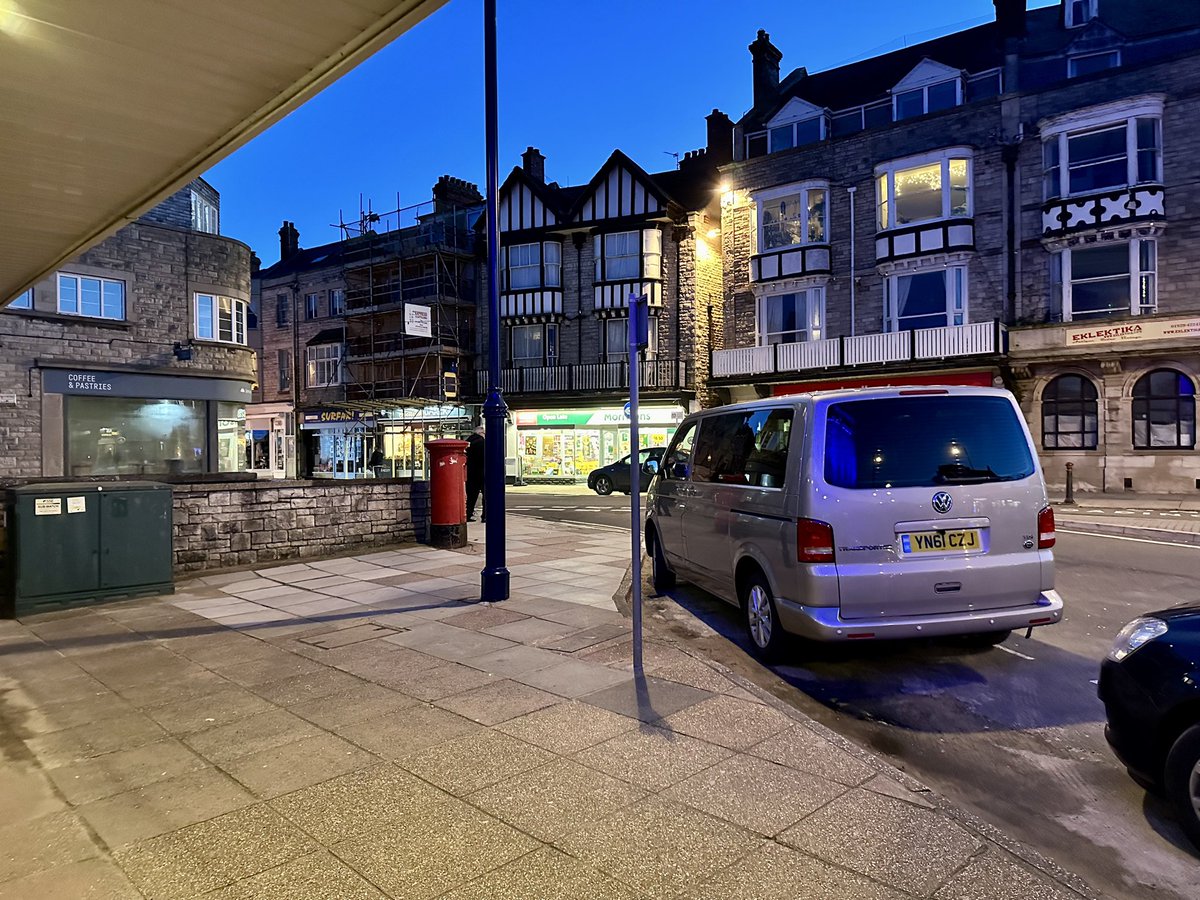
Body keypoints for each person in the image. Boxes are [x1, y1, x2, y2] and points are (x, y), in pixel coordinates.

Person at [466, 425, 486, 522]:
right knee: (486, 495)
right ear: (481, 433)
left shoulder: (468, 442)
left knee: (471, 496)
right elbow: (484, 458)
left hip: (470, 473)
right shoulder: (482, 443)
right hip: (482, 472)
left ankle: (468, 514)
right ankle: (485, 515)